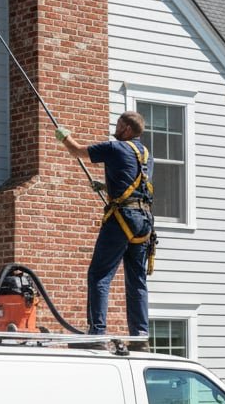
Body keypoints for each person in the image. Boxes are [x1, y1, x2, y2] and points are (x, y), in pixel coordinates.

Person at [55, 111, 154, 341]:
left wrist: (64, 137)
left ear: (128, 129)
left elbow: (77, 151)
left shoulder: (115, 148)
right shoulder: (147, 155)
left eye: (119, 125)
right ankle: (140, 336)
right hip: (144, 220)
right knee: (137, 279)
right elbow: (137, 186)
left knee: (99, 275)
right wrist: (108, 187)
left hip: (122, 218)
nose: (116, 128)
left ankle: (97, 333)